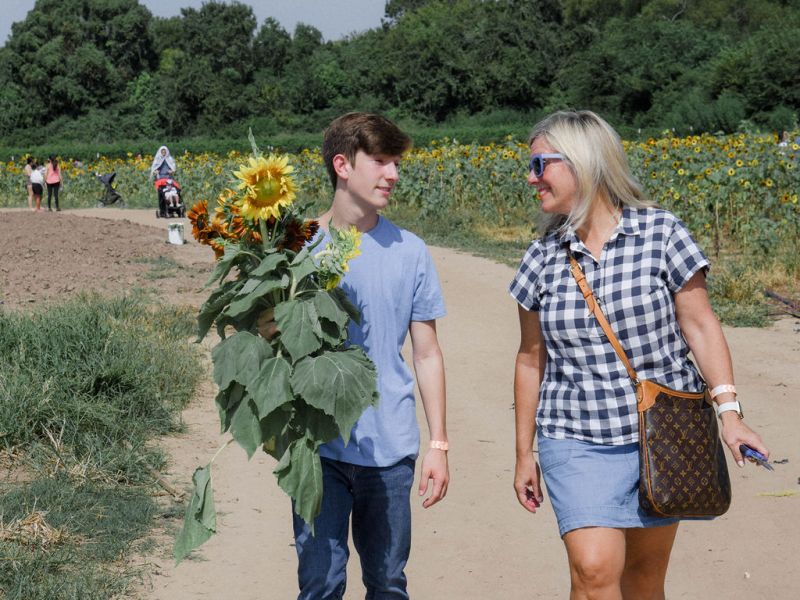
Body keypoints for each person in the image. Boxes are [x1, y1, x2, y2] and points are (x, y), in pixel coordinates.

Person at [508, 110, 769, 599]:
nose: (531, 177)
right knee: (593, 569)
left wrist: (731, 414)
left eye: (540, 164)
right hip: (576, 435)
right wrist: (524, 453)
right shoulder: (541, 256)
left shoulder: (661, 233)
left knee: (645, 578)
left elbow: (700, 324)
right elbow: (530, 358)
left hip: (662, 433)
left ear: (581, 163)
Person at [285, 112, 449, 599]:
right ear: (342, 165)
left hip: (389, 447)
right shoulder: (296, 246)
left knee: (387, 584)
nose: (392, 174)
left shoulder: (410, 251)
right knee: (320, 583)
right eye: (380, 161)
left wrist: (438, 444)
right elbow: (270, 338)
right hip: (317, 448)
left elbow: (427, 353)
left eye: (395, 162)